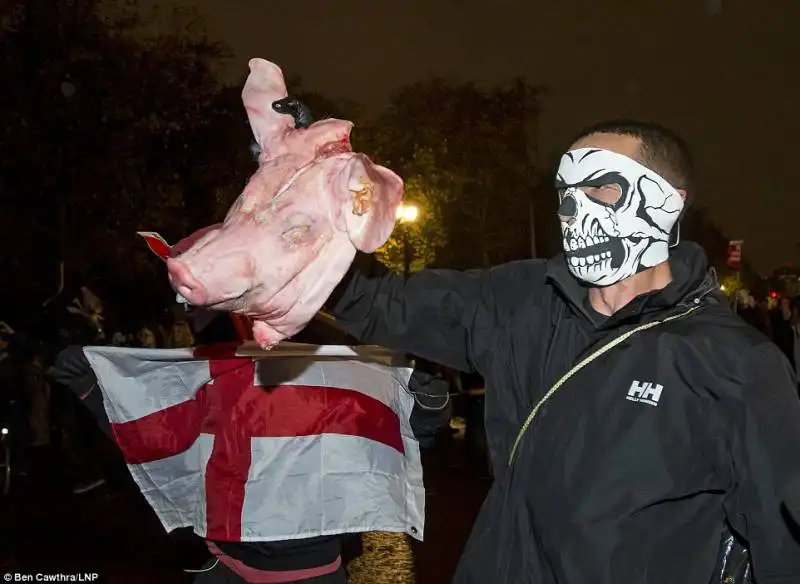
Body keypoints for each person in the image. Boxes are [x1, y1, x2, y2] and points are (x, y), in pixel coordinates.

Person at [323, 120, 800, 583]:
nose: (574, 213)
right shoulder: (520, 300)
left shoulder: (735, 364)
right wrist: (312, 195)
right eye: (566, 197)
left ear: (669, 204)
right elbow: (379, 302)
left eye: (602, 191)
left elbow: (784, 546)